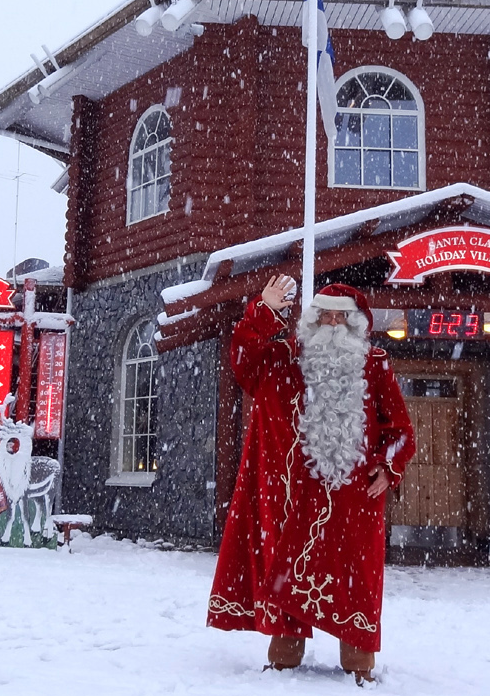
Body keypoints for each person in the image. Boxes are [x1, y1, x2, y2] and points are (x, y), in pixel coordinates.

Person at [207, 277, 414, 685]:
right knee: (286, 568)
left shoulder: (374, 364)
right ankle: (284, 655)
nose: (333, 322)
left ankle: (358, 662)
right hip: (290, 498)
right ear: (311, 318)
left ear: (356, 323)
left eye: (342, 316)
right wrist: (263, 311)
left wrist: (388, 466)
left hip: (352, 500)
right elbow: (243, 361)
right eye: (325, 314)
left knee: (355, 579)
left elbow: (402, 429)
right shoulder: (282, 359)